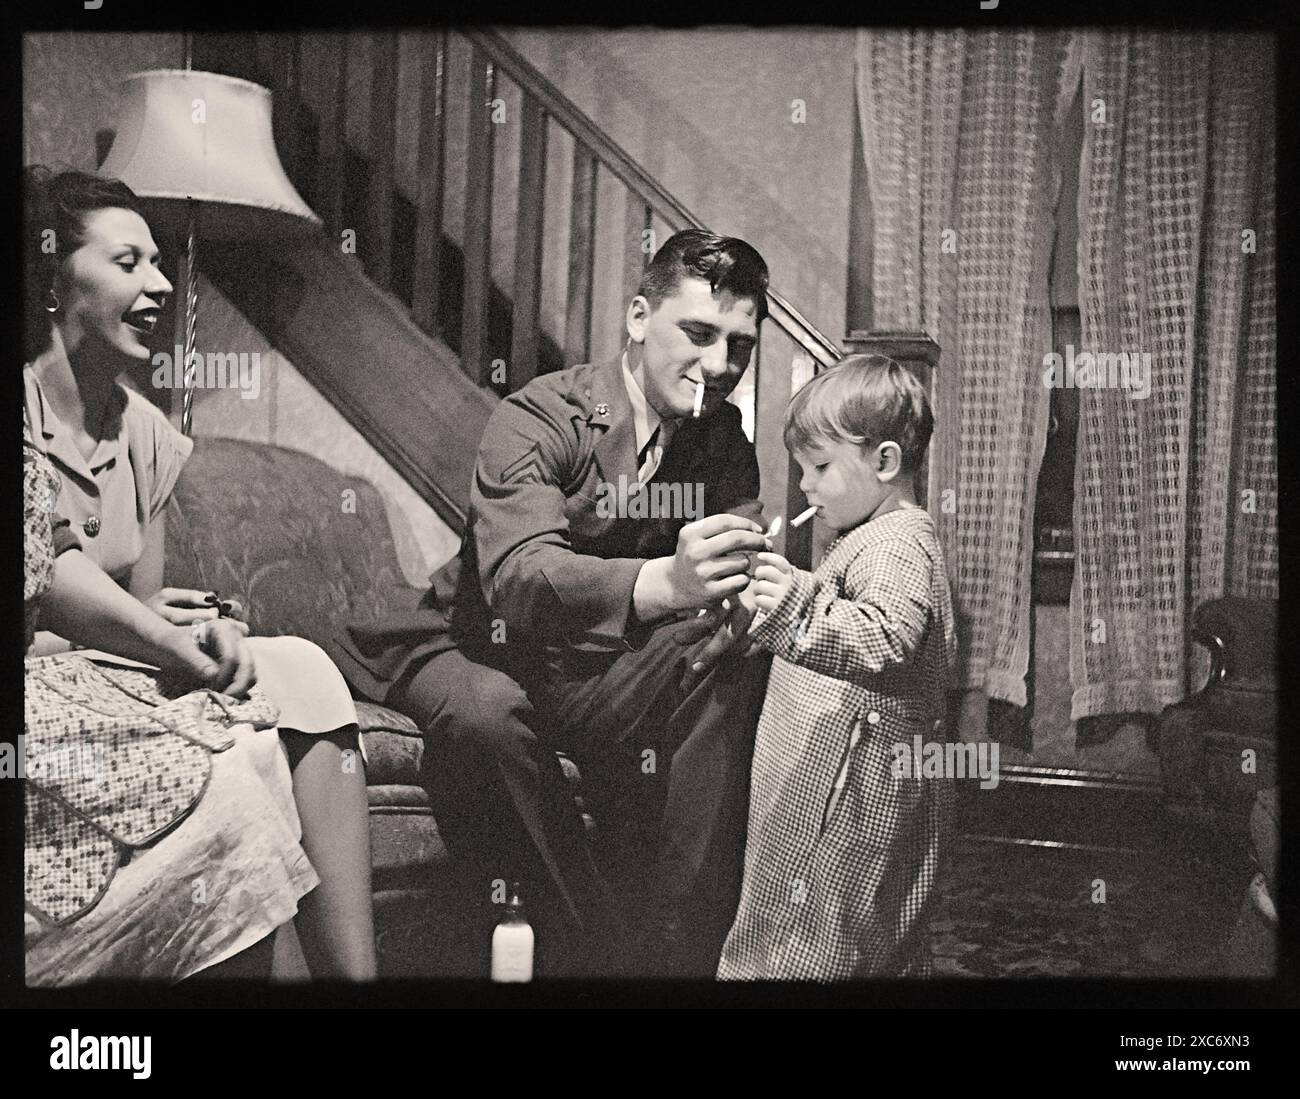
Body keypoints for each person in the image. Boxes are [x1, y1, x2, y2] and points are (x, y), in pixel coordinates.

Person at [335, 230, 777, 976]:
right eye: (698, 334)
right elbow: (519, 575)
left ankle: (683, 955)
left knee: (735, 658)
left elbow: (738, 551)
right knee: (486, 714)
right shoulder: (540, 414)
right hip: (474, 642)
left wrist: (742, 602)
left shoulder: (722, 437)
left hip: (595, 667)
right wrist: (668, 583)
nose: (719, 366)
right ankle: (598, 956)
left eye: (739, 346)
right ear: (639, 318)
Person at [23, 166, 375, 979]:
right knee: (244, 745)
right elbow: (62, 597)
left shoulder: (149, 433)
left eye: (158, 262)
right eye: (127, 263)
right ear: (52, 283)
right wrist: (151, 632)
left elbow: (142, 599)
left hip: (117, 661)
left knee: (308, 670)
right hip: (63, 678)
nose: (159, 285)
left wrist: (194, 620)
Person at [717, 355, 957, 980]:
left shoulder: (895, 543)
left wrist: (791, 603)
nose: (805, 486)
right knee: (862, 937)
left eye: (820, 467)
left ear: (885, 462)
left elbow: (888, 635)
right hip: (844, 780)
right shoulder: (870, 535)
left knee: (811, 936)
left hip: (849, 793)